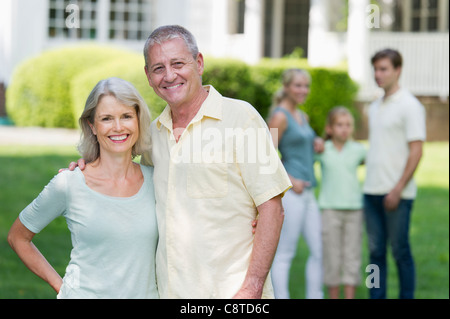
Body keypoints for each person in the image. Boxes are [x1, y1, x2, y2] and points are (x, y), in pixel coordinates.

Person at [72, 25, 292, 298]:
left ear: (198, 63)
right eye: (158, 68)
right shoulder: (151, 135)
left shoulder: (244, 118)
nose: (170, 75)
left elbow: (273, 209)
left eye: (178, 63)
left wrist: (251, 287)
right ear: (148, 77)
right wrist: (84, 169)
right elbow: (120, 175)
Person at [7, 77, 159, 298]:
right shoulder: (69, 183)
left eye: (126, 116)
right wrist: (63, 288)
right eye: (106, 118)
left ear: (138, 120)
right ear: (92, 126)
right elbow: (17, 237)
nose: (118, 127)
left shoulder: (157, 181)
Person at [364, 48, 426, 299]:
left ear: (397, 70)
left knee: (400, 251)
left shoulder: (411, 106)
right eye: (375, 69)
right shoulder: (374, 106)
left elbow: (417, 151)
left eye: (384, 69)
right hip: (370, 191)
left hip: (397, 194)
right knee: (375, 253)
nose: (378, 74)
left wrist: (398, 188)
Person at [268, 68, 324, 299]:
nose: (303, 90)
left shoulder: (303, 116)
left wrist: (316, 142)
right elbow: (264, 155)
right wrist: (290, 180)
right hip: (292, 193)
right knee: (284, 253)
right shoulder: (279, 116)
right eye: (298, 85)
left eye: (306, 86)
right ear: (287, 87)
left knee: (319, 251)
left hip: (309, 191)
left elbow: (299, 144)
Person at [315, 106, 366, 299]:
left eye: (348, 125)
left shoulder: (359, 150)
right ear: (329, 128)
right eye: (339, 125)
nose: (344, 129)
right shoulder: (322, 149)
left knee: (352, 256)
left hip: (355, 210)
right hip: (329, 210)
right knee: (332, 257)